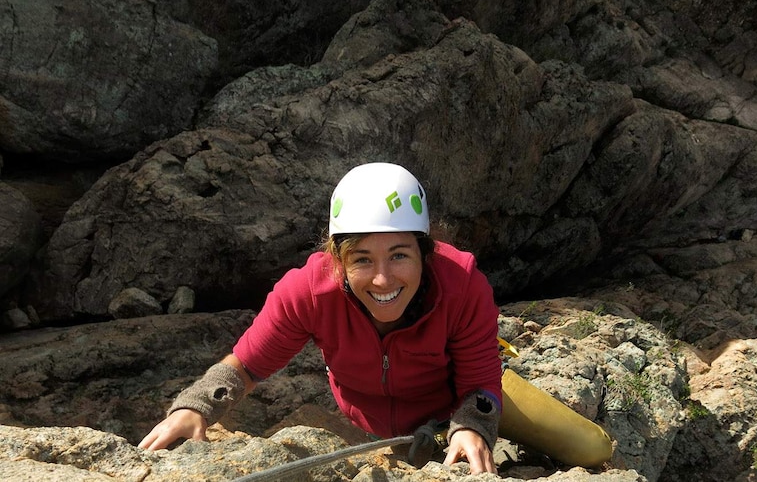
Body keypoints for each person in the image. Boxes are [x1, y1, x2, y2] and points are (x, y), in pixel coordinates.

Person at [139, 162, 503, 475]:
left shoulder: (461, 288)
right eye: (362, 259)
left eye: (399, 255)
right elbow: (248, 366)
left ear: (426, 253)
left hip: (445, 416)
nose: (382, 279)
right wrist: (196, 405)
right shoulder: (309, 293)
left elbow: (479, 379)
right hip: (363, 423)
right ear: (338, 259)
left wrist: (471, 426)